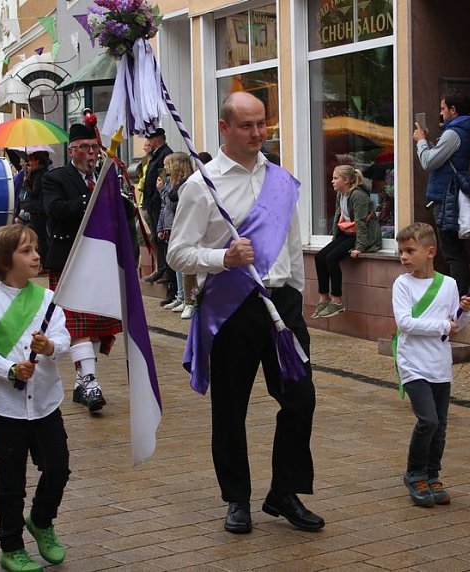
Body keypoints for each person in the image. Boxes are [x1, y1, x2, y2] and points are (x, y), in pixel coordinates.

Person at [167, 91, 323, 534]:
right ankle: (236, 498)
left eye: (262, 124)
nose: (257, 134)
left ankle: (285, 492)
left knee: (300, 399)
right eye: (247, 126)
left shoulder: (280, 179)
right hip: (232, 308)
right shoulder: (202, 185)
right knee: (230, 408)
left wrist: (296, 298)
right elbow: (177, 253)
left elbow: (292, 247)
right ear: (224, 128)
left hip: (281, 307)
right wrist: (224, 260)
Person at [0, 224, 71, 572]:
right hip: (7, 407)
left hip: (46, 402)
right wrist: (10, 369)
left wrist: (51, 346)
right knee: (11, 480)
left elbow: (64, 337)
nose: (36, 256)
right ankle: (11, 545)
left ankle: (42, 521)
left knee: (57, 467)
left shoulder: (47, 299)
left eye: (36, 248)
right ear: (3, 260)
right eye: (26, 251)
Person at [392, 222, 470, 507]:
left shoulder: (449, 284)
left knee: (440, 426)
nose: (404, 257)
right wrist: (444, 324)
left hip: (439, 363)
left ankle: (432, 473)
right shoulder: (402, 284)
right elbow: (405, 323)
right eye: (401, 251)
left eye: (409, 251)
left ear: (430, 252)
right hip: (412, 363)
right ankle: (414, 474)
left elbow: (456, 325)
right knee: (427, 420)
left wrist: (465, 311)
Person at [42, 123, 122, 413]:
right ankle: (89, 381)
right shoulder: (56, 178)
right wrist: (93, 196)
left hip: (100, 260)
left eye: (94, 148)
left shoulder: (107, 177)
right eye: (85, 148)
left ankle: (80, 381)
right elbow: (56, 212)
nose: (91, 153)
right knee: (78, 324)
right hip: (69, 259)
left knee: (94, 326)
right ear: (72, 150)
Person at [413, 89, 470, 295]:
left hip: (447, 198)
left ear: (453, 110)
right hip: (452, 195)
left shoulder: (453, 133)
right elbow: (445, 158)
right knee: (455, 251)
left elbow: (428, 161)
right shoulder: (464, 129)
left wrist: (421, 142)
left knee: (452, 253)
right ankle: (460, 296)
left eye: (443, 109)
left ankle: (458, 299)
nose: (441, 114)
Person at [312, 165, 381, 318]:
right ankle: (324, 298)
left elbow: (361, 222)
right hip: (347, 233)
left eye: (336, 178)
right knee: (320, 256)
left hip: (361, 236)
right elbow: (339, 217)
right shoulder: (341, 195)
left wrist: (360, 247)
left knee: (332, 258)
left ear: (347, 180)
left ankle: (337, 301)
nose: (332, 181)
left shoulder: (358, 196)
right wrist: (334, 241)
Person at [157, 152, 197, 317]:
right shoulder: (173, 183)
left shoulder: (187, 183)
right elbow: (165, 208)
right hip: (174, 227)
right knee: (180, 265)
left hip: (186, 227)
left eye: (168, 165)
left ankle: (190, 300)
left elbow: (173, 204)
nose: (165, 168)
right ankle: (183, 297)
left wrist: (162, 191)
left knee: (188, 266)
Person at [141, 128, 174, 289]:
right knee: (155, 237)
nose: (149, 141)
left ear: (159, 138)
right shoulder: (156, 154)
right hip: (151, 202)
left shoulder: (165, 154)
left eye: (151, 138)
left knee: (161, 239)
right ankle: (161, 268)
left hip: (158, 202)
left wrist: (155, 198)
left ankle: (165, 270)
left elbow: (163, 178)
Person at [16, 147, 53, 267]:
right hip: (37, 210)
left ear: (37, 161)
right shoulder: (38, 173)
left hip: (38, 211)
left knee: (40, 239)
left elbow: (34, 192)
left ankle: (44, 263)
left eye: (31, 160)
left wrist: (26, 182)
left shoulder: (39, 175)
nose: (29, 163)